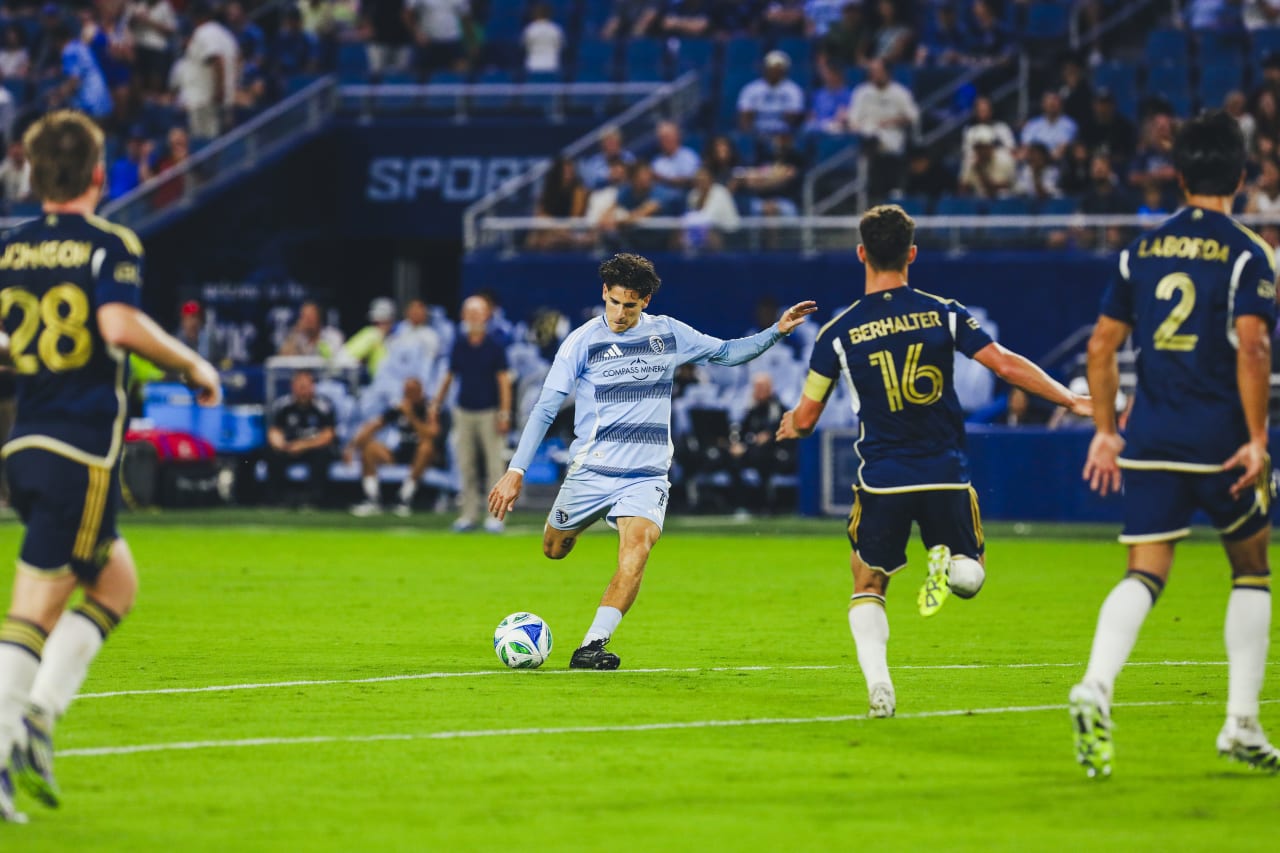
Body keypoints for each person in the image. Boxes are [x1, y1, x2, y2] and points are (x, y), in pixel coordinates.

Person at [774, 204, 1090, 718]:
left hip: (881, 481)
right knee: (971, 579)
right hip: (944, 474)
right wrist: (1071, 400)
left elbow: (808, 418)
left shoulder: (837, 332)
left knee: (868, 582)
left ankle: (880, 685)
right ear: (912, 254)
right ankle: (951, 565)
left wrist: (793, 422)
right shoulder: (945, 312)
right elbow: (1005, 364)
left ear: (861, 254)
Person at [0, 111, 221, 824]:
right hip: (80, 449)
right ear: (99, 174)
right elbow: (118, 327)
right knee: (35, 606)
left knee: (114, 581)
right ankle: (7, 749)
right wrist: (191, 364)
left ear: (34, 175)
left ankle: (37, 717)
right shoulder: (109, 244)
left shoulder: (10, 249)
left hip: (25, 443)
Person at [1070, 111, 1280, 778]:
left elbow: (1101, 347)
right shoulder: (1251, 251)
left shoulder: (1142, 250)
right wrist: (1257, 438)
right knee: (1250, 566)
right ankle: (1241, 722)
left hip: (1151, 436)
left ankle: (1096, 684)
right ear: (1242, 178)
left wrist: (1106, 430)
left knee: (1144, 571)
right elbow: (1253, 345)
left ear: (1180, 175)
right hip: (1219, 439)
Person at [488, 254, 817, 670]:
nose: (620, 314)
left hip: (645, 475)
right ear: (603, 294)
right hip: (592, 470)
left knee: (637, 551)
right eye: (613, 303)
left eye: (629, 305)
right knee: (554, 549)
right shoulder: (581, 342)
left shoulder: (669, 333)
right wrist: (515, 471)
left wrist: (776, 331)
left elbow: (728, 352)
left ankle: (591, 646)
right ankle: (587, 521)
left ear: (644, 301)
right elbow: (544, 409)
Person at [432, 296, 512, 532]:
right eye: (470, 313)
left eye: (479, 313)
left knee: (494, 466)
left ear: (486, 316)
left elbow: (503, 381)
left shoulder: (495, 345)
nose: (475, 317)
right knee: (465, 465)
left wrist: (505, 414)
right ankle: (468, 515)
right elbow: (450, 375)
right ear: (464, 316)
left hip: (489, 411)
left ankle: (495, 517)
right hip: (463, 410)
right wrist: (436, 404)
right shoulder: (460, 344)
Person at [347, 377, 440, 517]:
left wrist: (411, 415)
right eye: (406, 392)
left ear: (420, 392)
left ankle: (404, 498)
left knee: (425, 447)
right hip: (402, 451)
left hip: (426, 457)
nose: (407, 395)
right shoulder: (398, 408)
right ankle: (373, 499)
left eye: (411, 392)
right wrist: (352, 447)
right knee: (369, 448)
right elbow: (374, 425)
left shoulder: (430, 408)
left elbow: (431, 435)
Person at [266, 369, 336, 505]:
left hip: (313, 447)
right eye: (300, 386)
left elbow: (328, 435)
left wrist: (303, 445)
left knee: (323, 454)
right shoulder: (283, 406)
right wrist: (282, 445)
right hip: (289, 447)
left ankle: (314, 499)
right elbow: (274, 431)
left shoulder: (323, 406)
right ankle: (276, 499)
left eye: (306, 386)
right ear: (292, 387)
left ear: (313, 387)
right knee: (271, 453)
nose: (303, 390)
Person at [182, 2, 239, 140]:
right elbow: (238, 60)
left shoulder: (204, 32)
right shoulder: (226, 34)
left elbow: (217, 59)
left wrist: (219, 92)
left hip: (206, 104)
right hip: (222, 102)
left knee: (206, 147)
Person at [737, 50, 805, 140]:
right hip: (757, 134)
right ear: (765, 68)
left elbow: (794, 118)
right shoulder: (751, 89)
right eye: (771, 67)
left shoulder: (793, 90)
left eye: (778, 67)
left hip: (784, 135)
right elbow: (744, 117)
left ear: (784, 69)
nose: (774, 70)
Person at [339, 297, 397, 375]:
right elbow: (343, 357)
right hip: (377, 383)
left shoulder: (398, 336)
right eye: (377, 322)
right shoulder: (371, 334)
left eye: (385, 321)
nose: (381, 325)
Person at [278, 301, 344, 358]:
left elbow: (333, 358)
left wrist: (315, 342)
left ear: (319, 318)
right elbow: (284, 358)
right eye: (304, 317)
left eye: (310, 317)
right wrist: (294, 333)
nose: (307, 321)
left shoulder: (333, 335)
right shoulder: (298, 337)